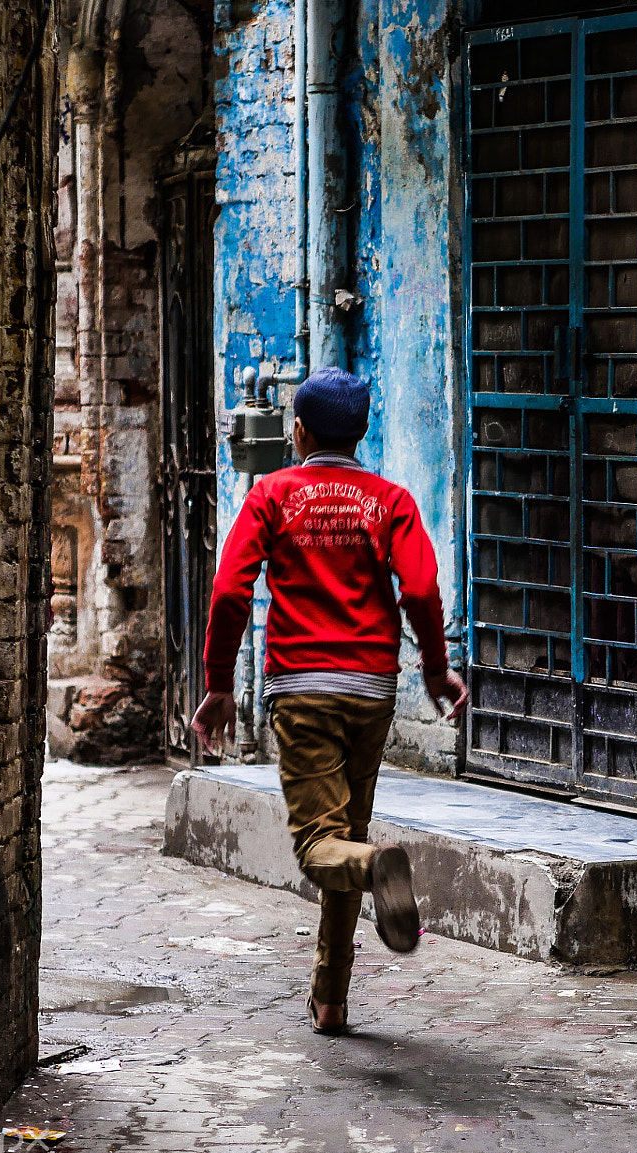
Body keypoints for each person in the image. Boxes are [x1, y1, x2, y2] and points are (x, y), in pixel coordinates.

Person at [191, 366, 468, 1035]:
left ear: (300, 431)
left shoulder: (273, 496)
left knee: (325, 847)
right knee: (346, 834)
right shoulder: (390, 501)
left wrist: (219, 685)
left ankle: (378, 869)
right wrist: (435, 671)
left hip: (301, 690)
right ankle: (331, 999)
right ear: (362, 431)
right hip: (371, 692)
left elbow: (231, 591)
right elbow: (423, 590)